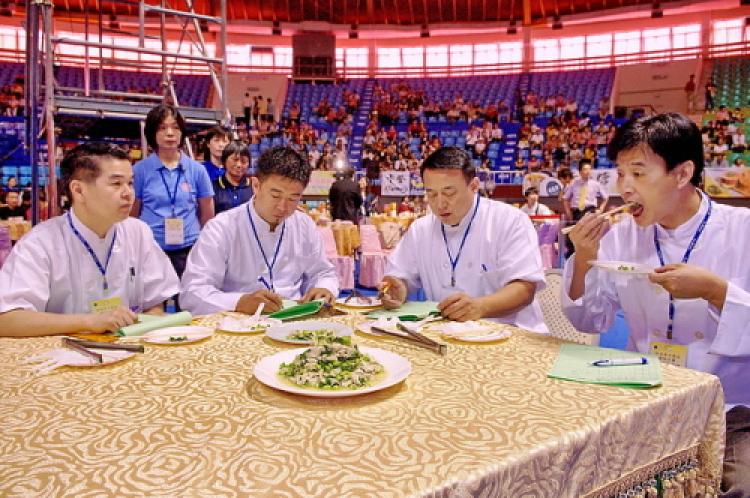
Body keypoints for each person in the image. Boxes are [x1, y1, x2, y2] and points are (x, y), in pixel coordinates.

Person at [562, 113, 750, 495]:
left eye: (638, 173)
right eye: (619, 173)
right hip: (644, 396)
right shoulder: (621, 236)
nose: (625, 188)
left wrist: (715, 290)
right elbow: (590, 320)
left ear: (682, 174)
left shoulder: (741, 229)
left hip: (731, 406)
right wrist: (584, 256)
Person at [0, 143, 179, 337]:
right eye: (116, 184)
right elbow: (8, 319)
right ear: (78, 191)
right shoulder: (40, 243)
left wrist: (144, 328)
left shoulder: (138, 232)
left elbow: (156, 301)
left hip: (129, 351)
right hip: (63, 356)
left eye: (130, 183)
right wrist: (88, 322)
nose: (128, 193)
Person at [378, 147, 547, 332]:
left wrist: (480, 306)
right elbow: (400, 277)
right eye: (431, 194)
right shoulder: (421, 230)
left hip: (511, 332)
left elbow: (524, 289)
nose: (440, 204)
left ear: (474, 186)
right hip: (447, 334)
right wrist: (398, 288)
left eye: (449, 193)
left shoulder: (509, 220)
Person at [180, 146, 339, 315]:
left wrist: (324, 287)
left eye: (293, 198)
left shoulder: (304, 225)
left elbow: (323, 272)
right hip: (239, 325)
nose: (283, 207)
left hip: (295, 321)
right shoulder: (222, 227)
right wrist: (239, 302)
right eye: (275, 195)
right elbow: (192, 292)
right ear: (256, 185)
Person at [131, 104, 215, 282]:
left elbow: (207, 214)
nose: (170, 133)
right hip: (151, 248)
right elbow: (132, 214)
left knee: (187, 302)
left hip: (188, 249)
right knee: (153, 304)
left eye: (175, 127)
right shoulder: (140, 171)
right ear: (152, 133)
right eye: (162, 128)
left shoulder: (197, 170)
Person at [212, 141, 253, 215]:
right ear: (224, 160)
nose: (239, 165)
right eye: (235, 160)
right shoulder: (213, 187)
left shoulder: (254, 186)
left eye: (243, 161)